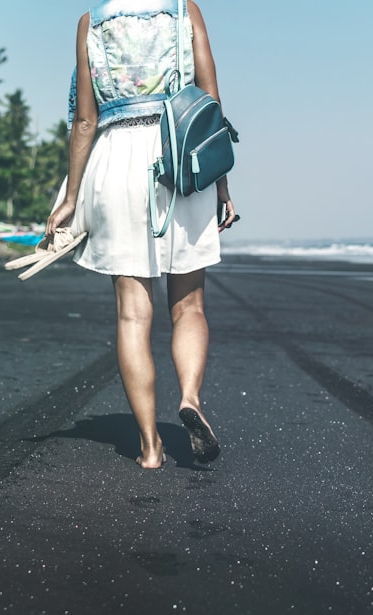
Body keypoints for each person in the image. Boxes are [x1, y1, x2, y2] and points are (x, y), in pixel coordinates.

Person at [47, 0, 238, 469]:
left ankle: (150, 447)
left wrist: (71, 197)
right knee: (188, 304)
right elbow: (209, 96)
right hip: (180, 156)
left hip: (116, 162)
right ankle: (190, 398)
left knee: (133, 316)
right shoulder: (183, 10)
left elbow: (85, 120)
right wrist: (221, 183)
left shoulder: (90, 24)